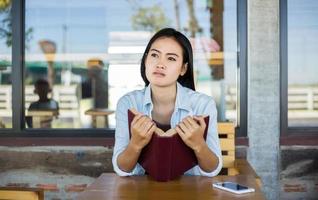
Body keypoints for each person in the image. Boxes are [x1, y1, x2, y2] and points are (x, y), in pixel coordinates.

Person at [112, 28, 222, 177]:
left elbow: (212, 169)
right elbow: (122, 169)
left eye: (171, 58)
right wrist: (135, 144)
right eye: (155, 55)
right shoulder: (127, 103)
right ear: (145, 60)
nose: (160, 64)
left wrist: (199, 144)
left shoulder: (203, 104)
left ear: (183, 68)